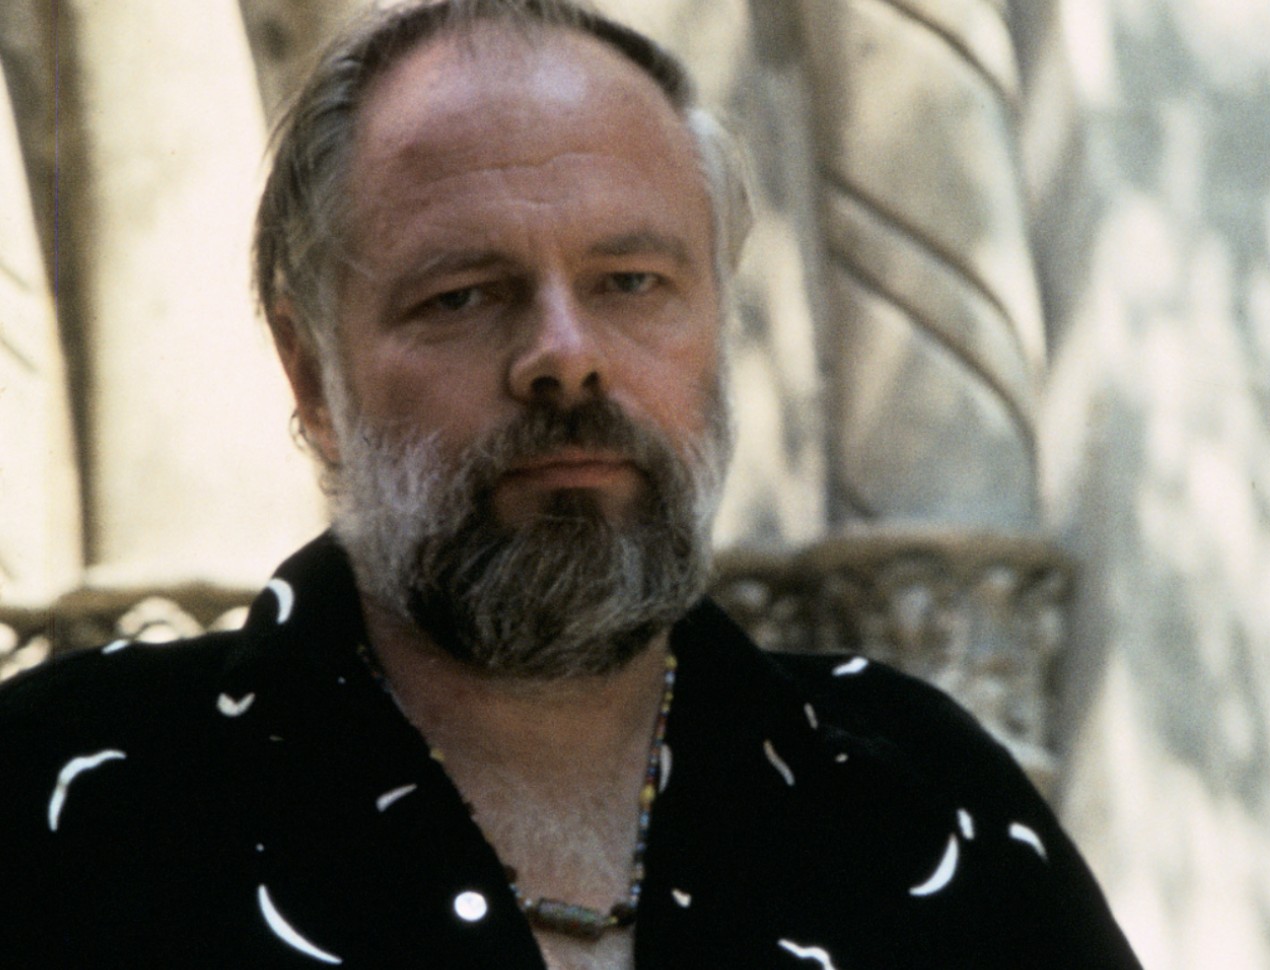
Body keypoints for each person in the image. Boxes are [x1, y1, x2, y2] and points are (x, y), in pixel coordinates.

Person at [0, 1, 1142, 966]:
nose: (565, 355)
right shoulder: (65, 802)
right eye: (462, 294)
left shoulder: (918, 796)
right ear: (313, 375)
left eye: (630, 280)